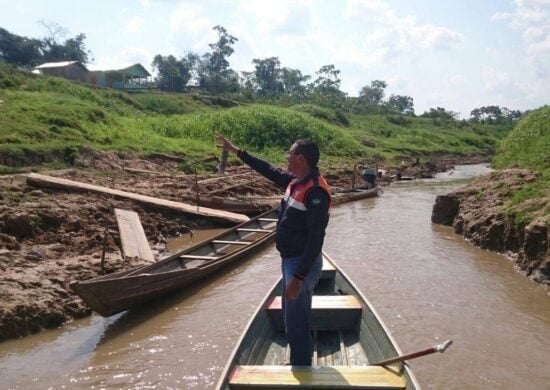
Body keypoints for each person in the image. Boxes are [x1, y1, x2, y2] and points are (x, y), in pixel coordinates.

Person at [215, 133, 331, 366]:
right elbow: (267, 169)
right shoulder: (295, 180)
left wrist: (298, 277)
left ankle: (301, 364)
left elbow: (316, 238)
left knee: (296, 317)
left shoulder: (315, 191)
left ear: (300, 158)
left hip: (300, 263)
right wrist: (237, 151)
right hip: (290, 259)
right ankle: (299, 359)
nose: (286, 157)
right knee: (291, 314)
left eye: (290, 153)